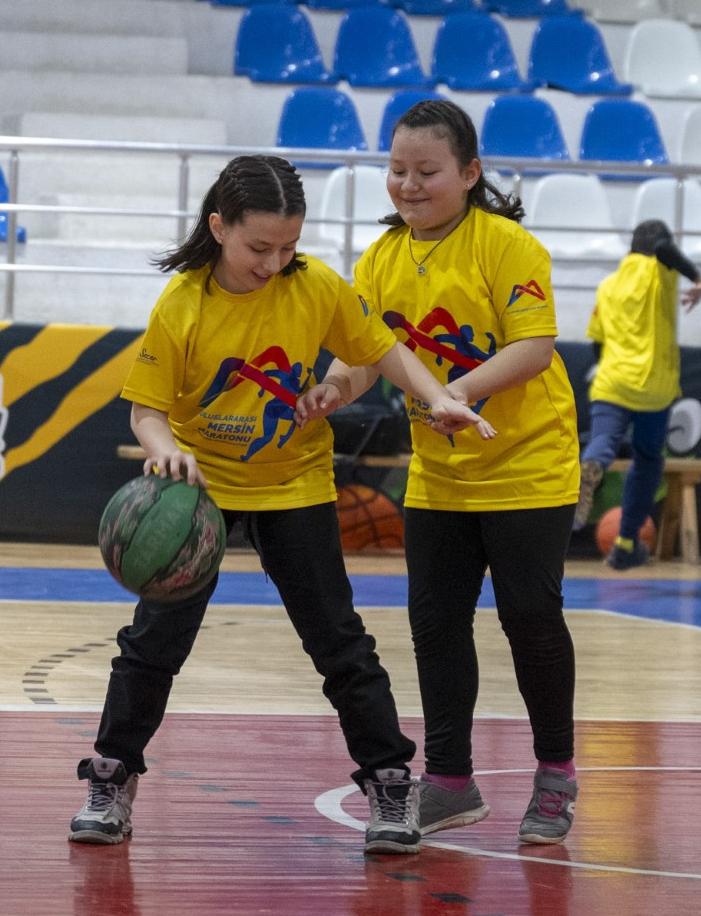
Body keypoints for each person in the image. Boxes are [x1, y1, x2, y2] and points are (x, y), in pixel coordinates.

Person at [71, 155, 492, 854]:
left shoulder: (316, 286)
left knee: (339, 641)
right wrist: (166, 450)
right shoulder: (183, 302)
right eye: (258, 247)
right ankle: (112, 776)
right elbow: (146, 411)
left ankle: (389, 782)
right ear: (219, 227)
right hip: (201, 490)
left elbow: (384, 351)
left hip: (293, 481)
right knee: (153, 643)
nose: (274, 263)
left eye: (288, 246)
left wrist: (439, 396)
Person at [302, 100, 582, 846]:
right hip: (440, 475)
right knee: (436, 626)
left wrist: (452, 392)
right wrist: (333, 390)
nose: (409, 185)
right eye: (397, 170)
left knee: (531, 619)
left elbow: (535, 349)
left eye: (427, 171)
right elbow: (368, 357)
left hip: (528, 464)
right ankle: (451, 782)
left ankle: (556, 772)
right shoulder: (380, 259)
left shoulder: (508, 246)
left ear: (470, 173)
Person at [576, 219, 701, 569]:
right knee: (648, 459)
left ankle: (592, 465)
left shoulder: (609, 285)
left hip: (611, 381)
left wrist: (614, 372)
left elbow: (597, 342)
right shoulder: (661, 271)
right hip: (653, 388)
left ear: (630, 247)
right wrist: (698, 279)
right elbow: (664, 250)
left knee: (602, 442)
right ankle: (625, 542)